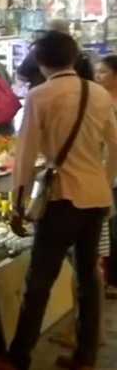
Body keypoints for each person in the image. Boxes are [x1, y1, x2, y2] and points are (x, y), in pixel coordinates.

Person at [0, 32, 117, 370]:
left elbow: (26, 153)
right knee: (88, 278)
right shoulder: (99, 93)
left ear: (41, 62)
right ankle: (86, 356)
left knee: (40, 280)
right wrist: (105, 181)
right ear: (73, 57)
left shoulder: (39, 95)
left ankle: (19, 357)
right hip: (96, 197)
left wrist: (18, 202)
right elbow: (115, 144)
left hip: (61, 198)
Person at [95, 54, 117, 294]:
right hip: (102, 169)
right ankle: (109, 279)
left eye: (103, 72)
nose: (98, 76)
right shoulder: (97, 100)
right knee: (107, 228)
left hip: (111, 169)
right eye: (97, 71)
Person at [17, 19, 94, 88]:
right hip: (75, 94)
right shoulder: (78, 52)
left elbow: (22, 75)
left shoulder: (41, 50)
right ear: (67, 31)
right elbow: (89, 79)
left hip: (43, 93)